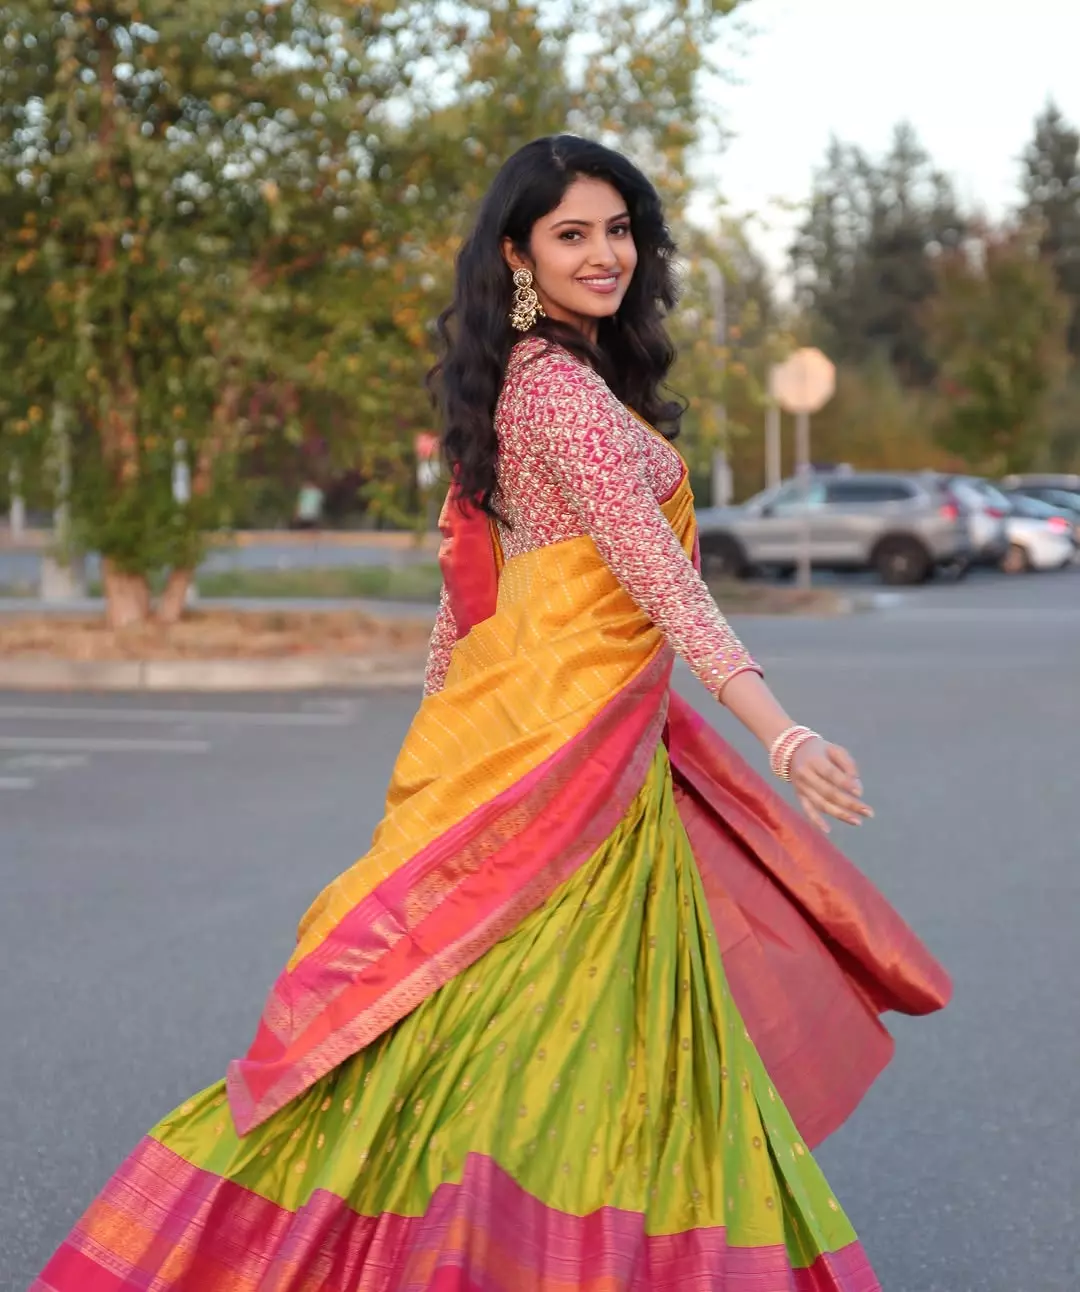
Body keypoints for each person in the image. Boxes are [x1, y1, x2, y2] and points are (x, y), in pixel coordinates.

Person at [32, 136, 950, 1292]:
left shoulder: (532, 380)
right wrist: (782, 730)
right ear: (519, 254)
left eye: (618, 230)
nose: (605, 254)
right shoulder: (557, 393)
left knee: (509, 1032)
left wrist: (439, 761)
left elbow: (466, 597)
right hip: (564, 763)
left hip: (557, 746)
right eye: (572, 234)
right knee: (551, 1039)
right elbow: (659, 580)